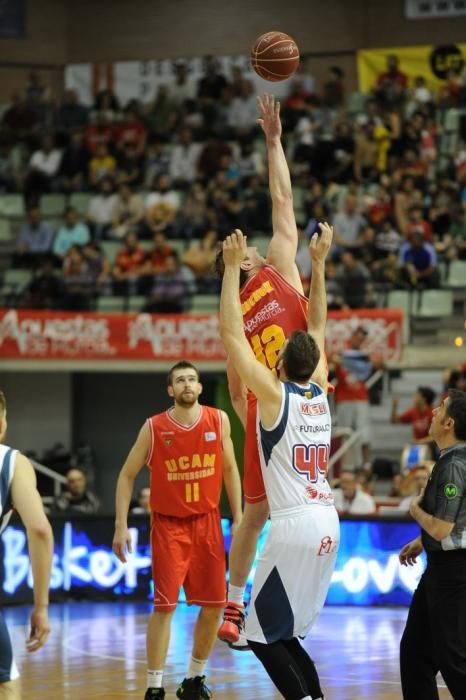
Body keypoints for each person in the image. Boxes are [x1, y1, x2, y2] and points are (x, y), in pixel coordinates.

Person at [219, 227, 338, 700]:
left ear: (281, 363)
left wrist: (231, 272)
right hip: (328, 519)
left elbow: (231, 333)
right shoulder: (321, 388)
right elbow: (319, 324)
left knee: (259, 636)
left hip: (292, 526)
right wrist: (320, 266)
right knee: (285, 633)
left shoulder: (272, 395)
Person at [215, 94, 315, 648]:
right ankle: (235, 605)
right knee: (256, 512)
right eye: (242, 251)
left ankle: (253, 603)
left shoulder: (276, 272)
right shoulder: (271, 273)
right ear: (243, 262)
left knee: (278, 511)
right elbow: (234, 380)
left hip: (283, 402)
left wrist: (274, 142)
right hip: (279, 403)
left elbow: (282, 195)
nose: (248, 246)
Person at [112, 361, 242, 700]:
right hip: (169, 527)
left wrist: (240, 516)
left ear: (199, 387)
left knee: (214, 605)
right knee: (164, 608)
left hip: (209, 523)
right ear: (171, 390)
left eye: (192, 379)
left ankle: (194, 679)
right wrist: (121, 525)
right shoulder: (154, 427)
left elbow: (230, 468)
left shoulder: (218, 420)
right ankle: (154, 686)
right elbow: (126, 475)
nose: (186, 384)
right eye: (179, 380)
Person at [399, 389, 466, 699]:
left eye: (439, 409)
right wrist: (421, 541)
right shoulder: (453, 459)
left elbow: (441, 528)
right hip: (441, 568)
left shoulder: (453, 465)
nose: (433, 413)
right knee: (415, 654)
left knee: (453, 659)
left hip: (453, 573)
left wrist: (415, 510)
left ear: (449, 422)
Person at [0, 391, 53, 698]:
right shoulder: (12, 462)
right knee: (5, 682)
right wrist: (41, 607)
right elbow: (40, 530)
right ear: (3, 424)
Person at [333, 326, 377, 469]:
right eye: (358, 336)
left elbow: (380, 364)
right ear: (352, 336)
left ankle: (366, 465)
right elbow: (330, 358)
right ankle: (346, 466)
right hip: (344, 398)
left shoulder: (364, 355)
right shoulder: (343, 351)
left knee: (364, 433)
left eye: (362, 338)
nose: (360, 340)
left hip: (360, 397)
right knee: (345, 432)